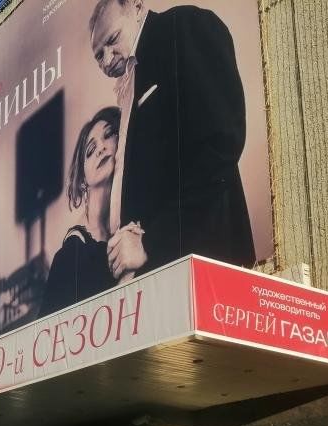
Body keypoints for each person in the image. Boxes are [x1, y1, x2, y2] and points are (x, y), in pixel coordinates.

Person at [89, 0, 255, 278]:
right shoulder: (131, 80)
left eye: (112, 39)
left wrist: (152, 242)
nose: (107, 59)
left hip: (201, 264)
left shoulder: (185, 27)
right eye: (98, 55)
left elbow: (221, 143)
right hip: (159, 274)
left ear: (137, 6)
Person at [39, 107, 121, 317]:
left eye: (109, 135)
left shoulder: (123, 223)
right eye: (90, 151)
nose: (101, 148)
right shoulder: (72, 255)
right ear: (82, 179)